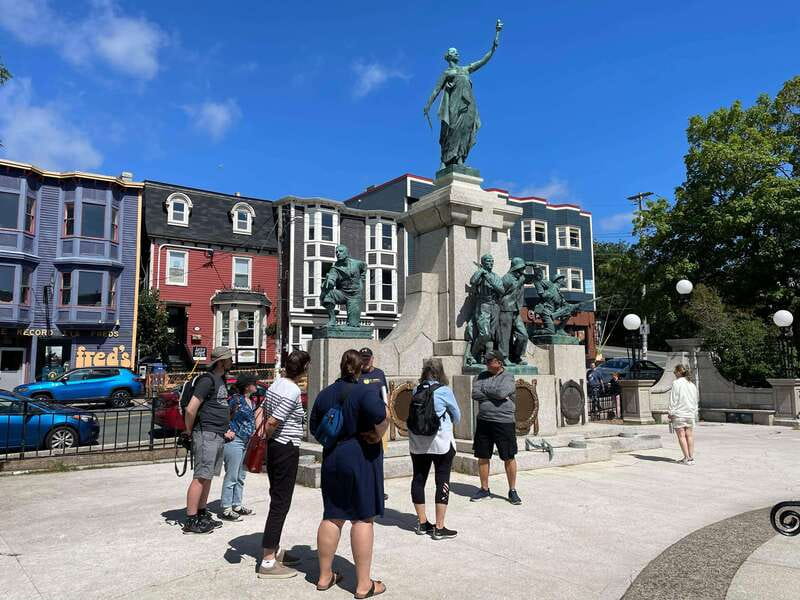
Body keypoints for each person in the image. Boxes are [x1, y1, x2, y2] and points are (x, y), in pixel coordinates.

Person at [309, 350, 388, 598]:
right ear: (360, 368)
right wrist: (378, 433)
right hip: (360, 455)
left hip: (332, 456)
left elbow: (314, 427)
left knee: (332, 515)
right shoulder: (365, 391)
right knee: (362, 518)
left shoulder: (325, 394)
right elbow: (383, 416)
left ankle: (324, 576)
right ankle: (363, 584)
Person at [257, 350, 312, 579]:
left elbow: (263, 410)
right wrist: (268, 436)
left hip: (276, 447)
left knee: (277, 498)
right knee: (281, 502)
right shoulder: (292, 391)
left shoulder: (278, 383)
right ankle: (268, 560)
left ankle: (275, 548)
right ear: (303, 368)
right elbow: (272, 421)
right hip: (284, 446)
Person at [181, 346, 234, 535]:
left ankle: (201, 512)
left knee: (208, 476)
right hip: (206, 433)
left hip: (217, 434)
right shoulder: (207, 380)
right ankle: (191, 519)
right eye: (229, 359)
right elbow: (191, 408)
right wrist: (188, 432)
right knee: (201, 477)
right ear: (221, 362)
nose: (231, 361)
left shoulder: (221, 380)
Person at [409, 358, 461, 540]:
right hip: (440, 442)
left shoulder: (416, 389)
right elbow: (457, 416)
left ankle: (422, 522)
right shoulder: (444, 391)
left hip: (417, 442)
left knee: (418, 479)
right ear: (441, 373)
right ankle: (439, 527)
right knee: (442, 480)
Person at [470, 350, 521, 505]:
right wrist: (493, 393)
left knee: (508, 456)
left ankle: (512, 490)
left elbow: (501, 392)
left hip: (504, 422)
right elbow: (474, 394)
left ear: (499, 362)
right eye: (485, 361)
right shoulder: (480, 376)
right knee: (483, 455)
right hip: (484, 420)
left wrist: (487, 391)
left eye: (489, 361)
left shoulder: (508, 377)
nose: (486, 363)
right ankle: (484, 489)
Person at [219, 373, 259, 522]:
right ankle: (226, 507)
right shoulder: (235, 400)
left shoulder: (252, 401)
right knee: (232, 475)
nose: (256, 385)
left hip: (247, 441)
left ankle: (236, 504)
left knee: (241, 475)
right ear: (247, 385)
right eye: (254, 383)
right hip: (235, 441)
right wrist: (225, 430)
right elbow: (223, 416)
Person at [358, 347, 390, 501]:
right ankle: (362, 488)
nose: (365, 361)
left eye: (367, 358)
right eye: (362, 358)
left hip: (377, 425)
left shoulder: (379, 374)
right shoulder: (356, 375)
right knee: (361, 458)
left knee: (378, 460)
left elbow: (386, 396)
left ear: (372, 358)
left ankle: (378, 490)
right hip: (361, 425)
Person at [668, 364, 699, 465]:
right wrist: (694, 412)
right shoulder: (692, 384)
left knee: (681, 435)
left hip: (679, 413)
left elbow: (673, 399)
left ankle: (686, 458)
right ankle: (691, 457)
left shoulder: (676, 383)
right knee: (689, 435)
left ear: (679, 372)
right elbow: (695, 400)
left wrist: (671, 412)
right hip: (690, 413)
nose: (674, 373)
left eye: (675, 371)